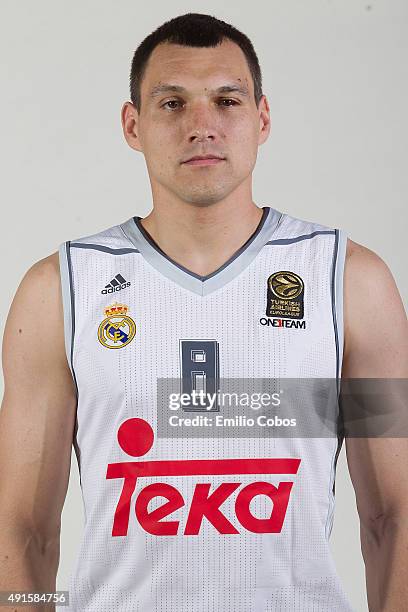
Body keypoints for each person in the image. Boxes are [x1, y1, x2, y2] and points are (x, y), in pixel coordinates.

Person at [0, 11, 407, 612]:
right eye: (172, 104)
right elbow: (23, 531)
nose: (202, 127)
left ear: (262, 118)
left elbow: (393, 518)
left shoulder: (348, 281)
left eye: (226, 101)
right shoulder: (61, 289)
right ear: (132, 124)